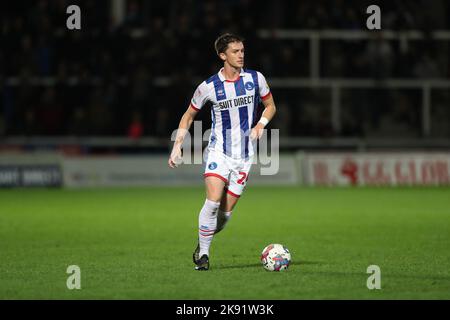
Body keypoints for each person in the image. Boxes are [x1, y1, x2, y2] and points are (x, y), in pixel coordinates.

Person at [168, 33, 277, 271]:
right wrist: (178, 145)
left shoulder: (256, 79)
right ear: (222, 55)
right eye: (236, 51)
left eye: (242, 51)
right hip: (219, 151)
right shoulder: (208, 87)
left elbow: (270, 106)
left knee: (223, 218)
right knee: (213, 201)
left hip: (245, 157)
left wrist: (260, 125)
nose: (241, 55)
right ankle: (204, 255)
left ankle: (202, 239)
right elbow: (189, 115)